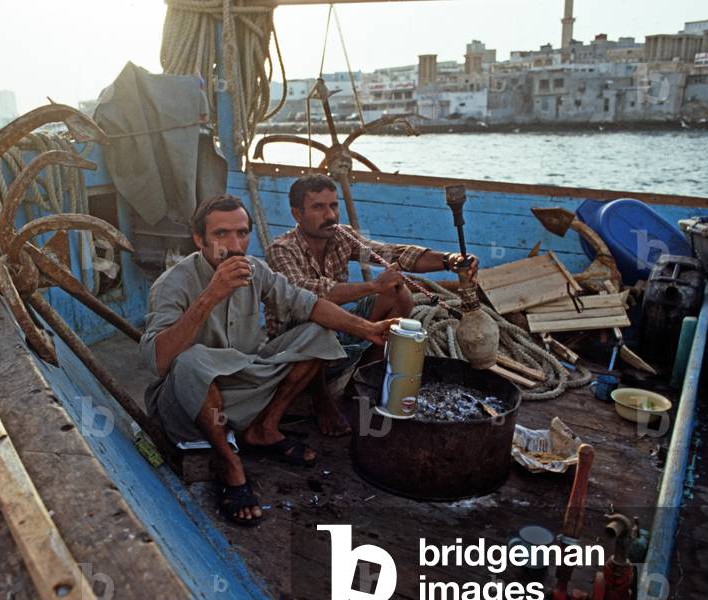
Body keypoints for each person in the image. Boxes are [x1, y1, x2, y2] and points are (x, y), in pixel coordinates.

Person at [139, 194, 395, 526]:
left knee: (317, 333)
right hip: (190, 402)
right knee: (191, 361)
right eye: (221, 235)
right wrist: (210, 296)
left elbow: (309, 304)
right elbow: (159, 362)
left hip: (245, 387)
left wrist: (369, 329)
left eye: (242, 233)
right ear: (199, 239)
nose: (234, 245)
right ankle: (229, 461)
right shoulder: (173, 284)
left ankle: (265, 427)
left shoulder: (255, 270)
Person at [266, 173, 476, 436]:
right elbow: (306, 296)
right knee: (317, 318)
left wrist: (448, 260)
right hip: (293, 342)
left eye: (333, 205)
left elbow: (391, 253)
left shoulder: (341, 235)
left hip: (334, 327)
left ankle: (361, 381)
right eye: (318, 207)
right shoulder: (281, 249)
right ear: (297, 214)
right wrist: (372, 287)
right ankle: (321, 400)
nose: (330, 215)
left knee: (399, 293)